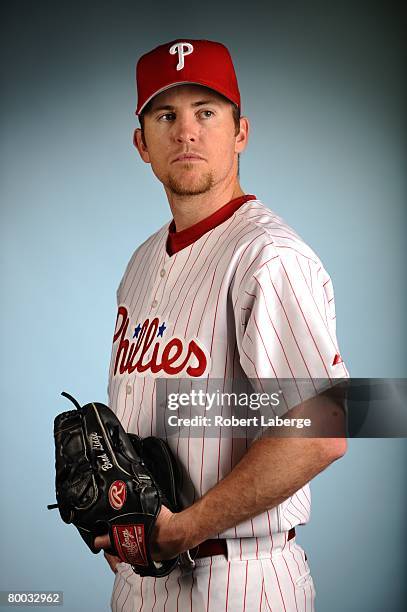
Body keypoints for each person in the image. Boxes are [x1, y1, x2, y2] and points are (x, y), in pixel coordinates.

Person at [95, 38, 349, 611]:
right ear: (142, 144)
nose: (186, 132)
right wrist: (117, 512)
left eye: (206, 112)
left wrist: (181, 530)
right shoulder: (140, 262)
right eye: (167, 115)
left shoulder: (268, 256)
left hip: (239, 580)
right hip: (140, 580)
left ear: (241, 132)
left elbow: (326, 427)